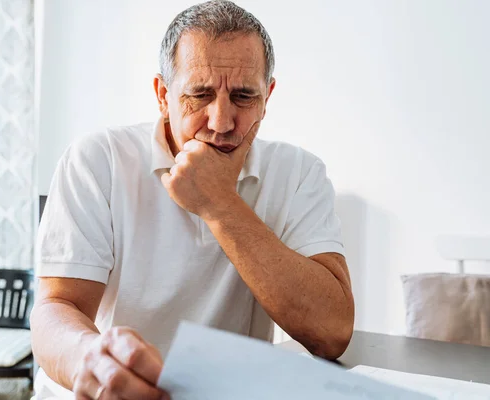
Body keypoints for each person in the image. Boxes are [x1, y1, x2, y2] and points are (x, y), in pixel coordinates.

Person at [31, 1, 355, 399]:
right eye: (199, 95)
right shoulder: (98, 160)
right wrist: (91, 359)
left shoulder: (300, 172)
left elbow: (332, 332)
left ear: (267, 97)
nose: (221, 122)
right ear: (163, 95)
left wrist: (220, 202)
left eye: (243, 97)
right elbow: (57, 308)